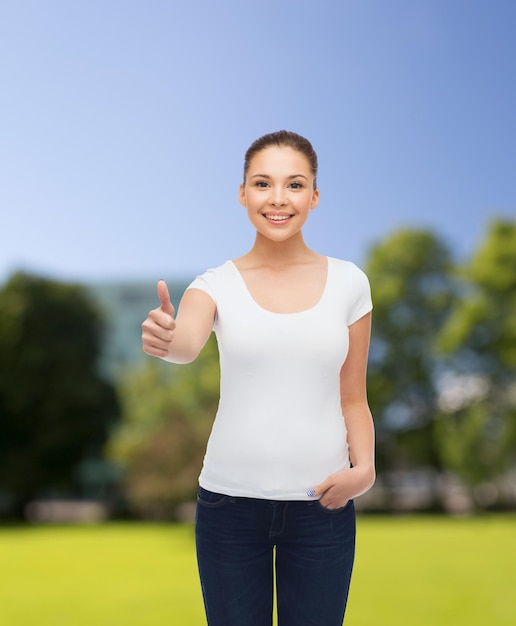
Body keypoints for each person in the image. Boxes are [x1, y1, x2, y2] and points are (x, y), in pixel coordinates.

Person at [141, 130, 375, 626]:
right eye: (263, 183)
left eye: (294, 185)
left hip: (323, 508)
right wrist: (167, 337)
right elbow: (186, 344)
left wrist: (366, 468)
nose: (278, 199)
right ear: (243, 193)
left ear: (314, 196)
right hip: (229, 508)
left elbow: (353, 396)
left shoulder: (350, 283)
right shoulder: (214, 284)